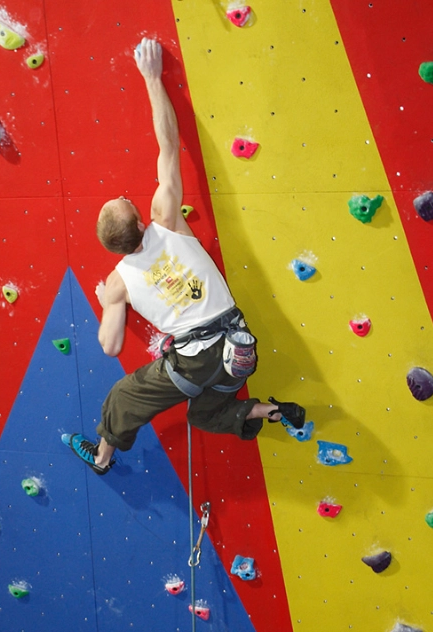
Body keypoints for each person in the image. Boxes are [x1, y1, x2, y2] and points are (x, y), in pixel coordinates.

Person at [62, 38, 305, 476]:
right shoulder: (166, 221)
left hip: (199, 362)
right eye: (125, 201)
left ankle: (101, 459)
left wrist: (110, 303)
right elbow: (168, 146)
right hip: (237, 346)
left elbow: (110, 346)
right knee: (204, 412)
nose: (125, 196)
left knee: (123, 398)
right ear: (139, 222)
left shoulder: (117, 282)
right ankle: (265, 410)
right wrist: (152, 78)